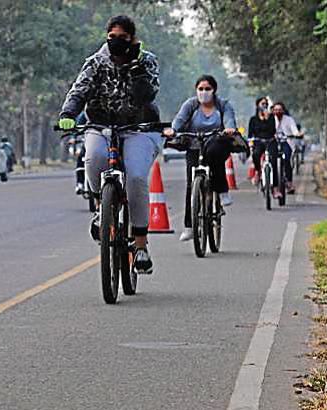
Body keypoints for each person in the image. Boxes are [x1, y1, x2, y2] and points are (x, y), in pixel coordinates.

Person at [58, 14, 161, 274]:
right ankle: (100, 208)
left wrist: (136, 68)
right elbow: (78, 91)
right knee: (93, 158)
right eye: (111, 38)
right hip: (100, 127)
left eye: (122, 39)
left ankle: (140, 246)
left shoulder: (146, 61)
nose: (116, 43)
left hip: (136, 129)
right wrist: (68, 114)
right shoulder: (95, 63)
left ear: (133, 40)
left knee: (137, 178)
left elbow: (147, 96)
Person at [164, 74, 239, 242]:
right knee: (191, 184)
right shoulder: (190, 105)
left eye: (207, 89)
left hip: (216, 143)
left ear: (214, 90)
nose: (204, 92)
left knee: (214, 155)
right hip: (194, 145)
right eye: (200, 89)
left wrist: (229, 129)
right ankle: (189, 226)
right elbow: (180, 119)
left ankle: (222, 190)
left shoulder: (223, 105)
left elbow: (229, 120)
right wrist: (172, 130)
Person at [272, 102, 303, 194]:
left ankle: (289, 183)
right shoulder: (271, 119)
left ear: (283, 110)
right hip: (273, 143)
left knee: (286, 160)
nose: (278, 112)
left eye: (280, 110)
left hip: (286, 142)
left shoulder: (289, 120)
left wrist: (297, 134)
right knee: (271, 160)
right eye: (276, 110)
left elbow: (294, 130)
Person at [247, 96, 275, 185]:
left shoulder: (271, 118)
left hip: (270, 141)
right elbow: (250, 134)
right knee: (255, 154)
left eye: (266, 104)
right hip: (258, 142)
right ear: (258, 105)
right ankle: (258, 171)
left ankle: (275, 185)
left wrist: (266, 120)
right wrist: (250, 142)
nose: (264, 106)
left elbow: (273, 131)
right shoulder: (253, 119)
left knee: (274, 158)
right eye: (262, 104)